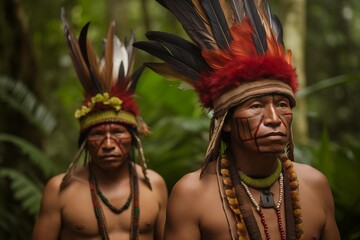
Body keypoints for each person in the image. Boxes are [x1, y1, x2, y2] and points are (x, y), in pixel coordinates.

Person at [134, 0, 340, 239]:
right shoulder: (191, 194)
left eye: (282, 104)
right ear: (227, 122)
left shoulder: (315, 185)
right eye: (255, 106)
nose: (274, 118)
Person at [32, 11, 168, 240]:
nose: (107, 144)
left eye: (117, 132)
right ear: (85, 141)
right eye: (97, 134)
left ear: (134, 137)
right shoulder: (59, 190)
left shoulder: (154, 185)